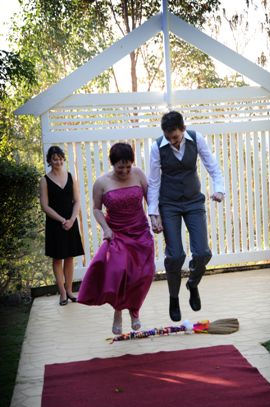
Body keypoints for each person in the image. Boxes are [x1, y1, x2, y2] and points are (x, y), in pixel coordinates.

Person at [147, 111, 225, 322]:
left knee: (202, 253)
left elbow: (213, 166)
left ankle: (192, 283)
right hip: (169, 204)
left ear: (183, 129)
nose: (172, 141)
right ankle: (174, 297)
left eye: (176, 137)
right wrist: (153, 213)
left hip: (193, 201)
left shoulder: (196, 138)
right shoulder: (157, 147)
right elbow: (153, 181)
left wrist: (219, 189)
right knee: (175, 256)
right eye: (168, 138)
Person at [77, 142, 155, 335]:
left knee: (143, 274)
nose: (125, 170)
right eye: (121, 167)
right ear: (113, 164)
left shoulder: (138, 174)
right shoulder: (102, 182)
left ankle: (134, 311)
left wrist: (155, 218)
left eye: (128, 166)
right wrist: (105, 228)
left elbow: (150, 198)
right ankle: (118, 311)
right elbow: (96, 209)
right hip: (117, 234)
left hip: (140, 232)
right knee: (119, 273)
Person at [40, 146, 84, 305]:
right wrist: (61, 220)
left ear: (63, 159)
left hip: (70, 222)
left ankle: (70, 290)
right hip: (55, 223)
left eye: (60, 158)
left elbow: (77, 200)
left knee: (69, 257)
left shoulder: (71, 176)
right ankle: (62, 293)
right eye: (54, 159)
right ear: (49, 161)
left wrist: (72, 219)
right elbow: (44, 206)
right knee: (57, 258)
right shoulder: (44, 180)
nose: (57, 161)